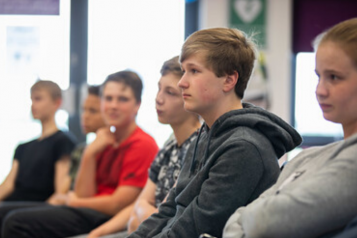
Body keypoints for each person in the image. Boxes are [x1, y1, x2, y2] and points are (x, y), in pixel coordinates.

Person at [127, 28, 302, 238]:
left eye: (194, 71)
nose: (182, 82)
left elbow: (192, 230)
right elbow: (170, 209)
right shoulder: (205, 135)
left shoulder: (244, 148)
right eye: (183, 71)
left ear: (228, 80)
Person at [222, 18, 357, 238]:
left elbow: (263, 223)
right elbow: (245, 217)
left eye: (334, 77)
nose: (320, 90)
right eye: (318, 76)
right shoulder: (307, 157)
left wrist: (247, 220)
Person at [0, 70, 159, 238]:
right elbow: (85, 192)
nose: (113, 105)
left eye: (123, 99)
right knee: (2, 213)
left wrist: (75, 201)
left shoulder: (142, 143)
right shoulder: (104, 140)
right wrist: (90, 153)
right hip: (86, 210)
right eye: (108, 98)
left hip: (106, 217)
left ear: (137, 104)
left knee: (15, 222)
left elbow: (117, 204)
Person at [73, 56, 202, 238]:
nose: (158, 99)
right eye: (158, 89)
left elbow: (165, 218)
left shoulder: (199, 147)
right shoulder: (170, 146)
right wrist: (96, 233)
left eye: (170, 93)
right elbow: (139, 204)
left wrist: (140, 216)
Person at [0, 80, 76, 202]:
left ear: (57, 103)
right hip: (13, 203)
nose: (33, 105)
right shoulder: (23, 147)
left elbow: (60, 189)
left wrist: (42, 212)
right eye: (32, 100)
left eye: (38, 99)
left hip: (35, 206)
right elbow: (8, 185)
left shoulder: (63, 142)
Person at [47, 85, 106, 205]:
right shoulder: (81, 149)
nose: (85, 116)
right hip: (69, 204)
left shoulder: (111, 150)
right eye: (83, 110)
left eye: (93, 111)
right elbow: (61, 191)